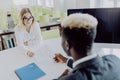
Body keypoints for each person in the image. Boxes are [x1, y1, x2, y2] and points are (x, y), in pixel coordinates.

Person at [53, 13, 120, 80]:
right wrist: (66, 60)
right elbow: (91, 65)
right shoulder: (115, 60)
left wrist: (61, 78)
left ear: (67, 45)